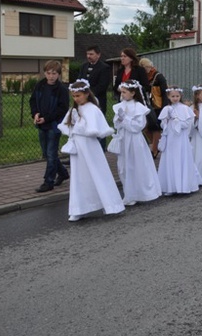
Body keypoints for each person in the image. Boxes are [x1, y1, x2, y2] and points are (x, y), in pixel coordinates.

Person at [57, 80, 125, 222]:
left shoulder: (93, 109)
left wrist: (80, 126)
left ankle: (111, 205)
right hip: (78, 147)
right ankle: (79, 208)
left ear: (87, 94)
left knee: (97, 173)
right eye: (74, 96)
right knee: (79, 177)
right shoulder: (73, 110)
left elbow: (94, 130)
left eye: (79, 95)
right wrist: (73, 127)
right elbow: (67, 127)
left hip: (89, 146)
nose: (76, 99)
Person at [110, 80, 162, 206]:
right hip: (123, 138)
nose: (122, 95)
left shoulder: (139, 108)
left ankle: (142, 192)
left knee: (137, 165)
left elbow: (138, 127)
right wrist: (119, 119)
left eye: (124, 92)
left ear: (133, 93)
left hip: (134, 141)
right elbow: (116, 124)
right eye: (121, 92)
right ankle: (129, 194)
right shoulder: (120, 106)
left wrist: (125, 119)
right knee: (123, 167)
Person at [29, 60, 70, 192]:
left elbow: (62, 109)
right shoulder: (40, 85)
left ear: (58, 74)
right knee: (47, 153)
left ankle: (48, 181)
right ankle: (63, 173)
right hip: (41, 124)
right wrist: (35, 114)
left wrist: (46, 118)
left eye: (54, 73)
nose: (51, 76)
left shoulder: (62, 89)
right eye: (48, 73)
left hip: (53, 125)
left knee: (51, 153)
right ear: (44, 73)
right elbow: (33, 100)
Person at [157, 87, 200, 195]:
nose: (175, 98)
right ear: (168, 97)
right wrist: (167, 120)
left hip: (180, 139)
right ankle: (171, 186)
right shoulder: (166, 108)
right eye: (173, 96)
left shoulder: (184, 109)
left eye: (177, 96)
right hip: (170, 139)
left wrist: (176, 120)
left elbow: (187, 124)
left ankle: (183, 186)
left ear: (180, 96)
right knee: (170, 160)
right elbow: (162, 125)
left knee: (181, 158)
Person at [139, 58, 168, 158]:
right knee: (147, 127)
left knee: (155, 127)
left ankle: (154, 149)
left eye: (145, 67)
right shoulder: (143, 77)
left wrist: (165, 106)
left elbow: (165, 92)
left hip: (158, 106)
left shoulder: (158, 76)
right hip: (148, 104)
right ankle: (158, 145)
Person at [79, 45, 111, 117]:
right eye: (87, 54)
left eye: (91, 54)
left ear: (98, 55)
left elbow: (102, 85)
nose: (88, 56)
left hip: (97, 100)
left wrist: (88, 94)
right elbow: (80, 81)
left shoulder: (104, 68)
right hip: (83, 100)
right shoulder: (84, 66)